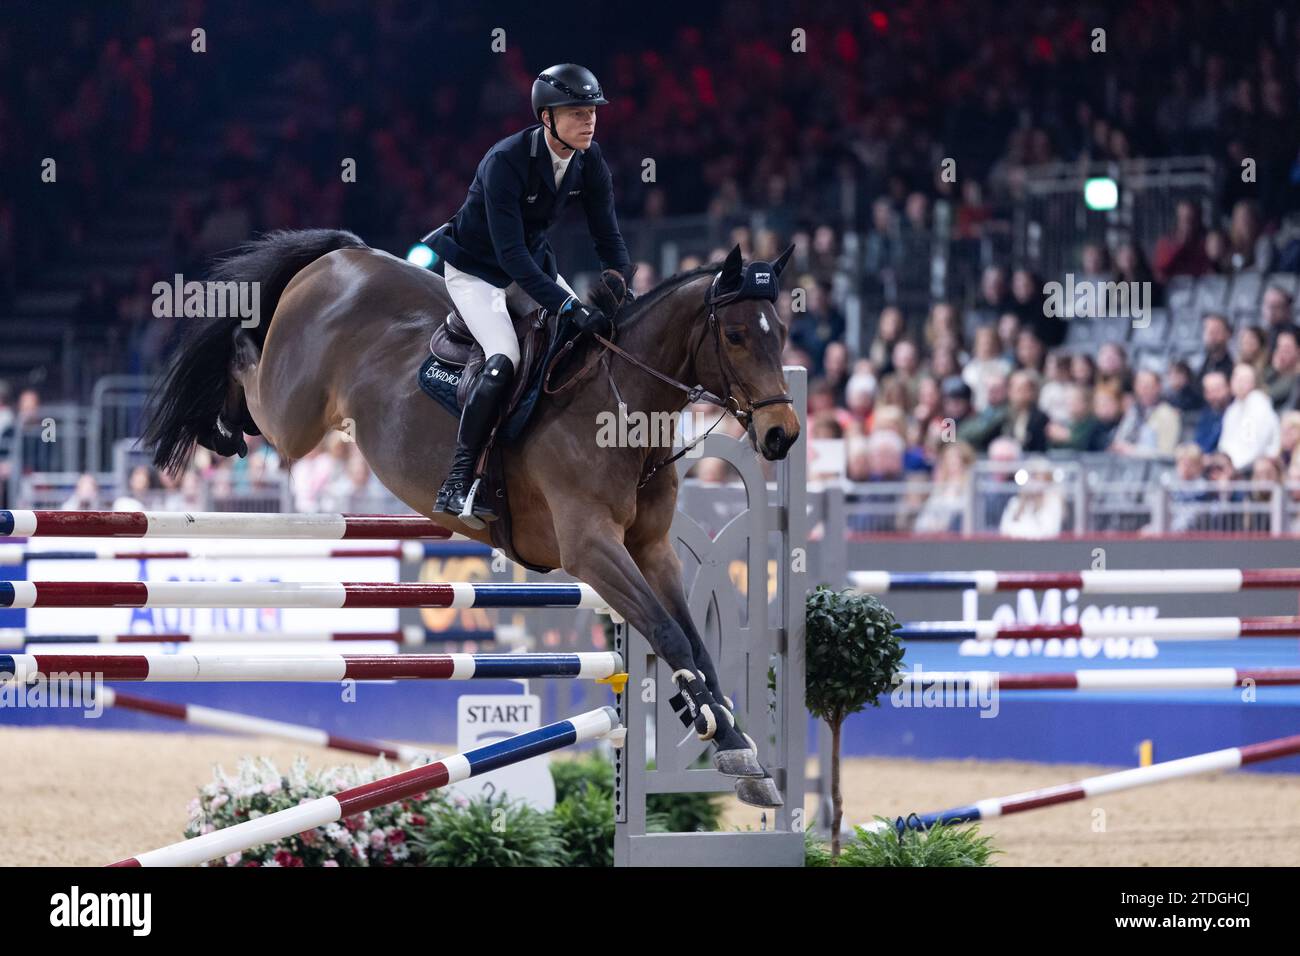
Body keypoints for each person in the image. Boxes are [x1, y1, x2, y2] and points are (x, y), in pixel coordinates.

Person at [427, 64, 632, 523]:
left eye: (593, 111)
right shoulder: (505, 160)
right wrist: (567, 304)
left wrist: (621, 279)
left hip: (530, 266)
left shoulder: (589, 160)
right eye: (578, 112)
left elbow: (607, 234)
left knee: (581, 343)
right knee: (505, 358)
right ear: (546, 118)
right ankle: (459, 479)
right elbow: (510, 254)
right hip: (478, 271)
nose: (590, 121)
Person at [1218, 363, 1281, 473]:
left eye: (1244, 380)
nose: (1239, 384)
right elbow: (1225, 443)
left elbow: (1252, 448)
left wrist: (1232, 468)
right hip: (1233, 465)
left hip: (1253, 466)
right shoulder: (1232, 409)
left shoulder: (1257, 405)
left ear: (1253, 383)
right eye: (1237, 379)